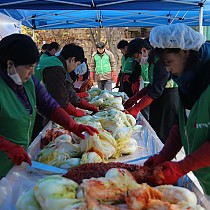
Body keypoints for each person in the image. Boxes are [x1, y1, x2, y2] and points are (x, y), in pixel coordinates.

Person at [0, 34, 98, 177]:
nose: (32, 72)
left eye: (34, 67)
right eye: (28, 67)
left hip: (17, 160)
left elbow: (48, 105)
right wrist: (6, 146)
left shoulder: (28, 81)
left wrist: (72, 126)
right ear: (10, 65)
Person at [143, 23, 210, 196]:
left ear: (185, 51)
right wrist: (163, 156)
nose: (168, 69)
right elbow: (181, 125)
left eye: (169, 62)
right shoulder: (188, 80)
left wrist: (183, 166)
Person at [124, 38, 179, 143]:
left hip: (169, 99)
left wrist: (136, 108)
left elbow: (157, 89)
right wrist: (136, 97)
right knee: (155, 129)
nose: (138, 61)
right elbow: (152, 85)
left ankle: (164, 156)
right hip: (160, 98)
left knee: (163, 134)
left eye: (136, 57)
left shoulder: (160, 60)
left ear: (144, 50)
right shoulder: (152, 61)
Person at [34, 43, 98, 117]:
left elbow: (66, 90)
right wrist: (76, 112)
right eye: (77, 65)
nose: (75, 68)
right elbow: (61, 99)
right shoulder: (55, 68)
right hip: (34, 106)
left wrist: (87, 106)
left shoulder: (54, 61)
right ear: (72, 59)